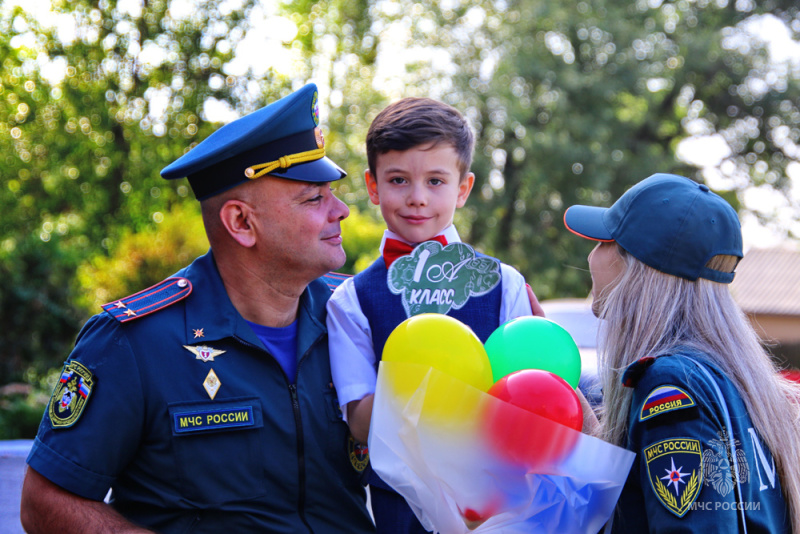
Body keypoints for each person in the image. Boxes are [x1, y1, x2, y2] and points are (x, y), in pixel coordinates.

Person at [19, 83, 376, 534]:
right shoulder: (133, 341)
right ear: (241, 223)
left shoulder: (359, 316)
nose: (341, 210)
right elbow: (44, 502)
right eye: (314, 197)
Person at [326, 97, 544, 534]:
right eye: (399, 180)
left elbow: (532, 402)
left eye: (437, 181)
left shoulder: (506, 284)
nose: (417, 198)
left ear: (463, 188)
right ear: (373, 186)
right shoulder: (351, 300)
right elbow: (362, 422)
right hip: (400, 512)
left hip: (501, 508)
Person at [564, 173, 800, 532]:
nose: (592, 254)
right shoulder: (734, 380)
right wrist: (600, 447)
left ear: (636, 265)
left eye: (604, 240)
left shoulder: (671, 386)